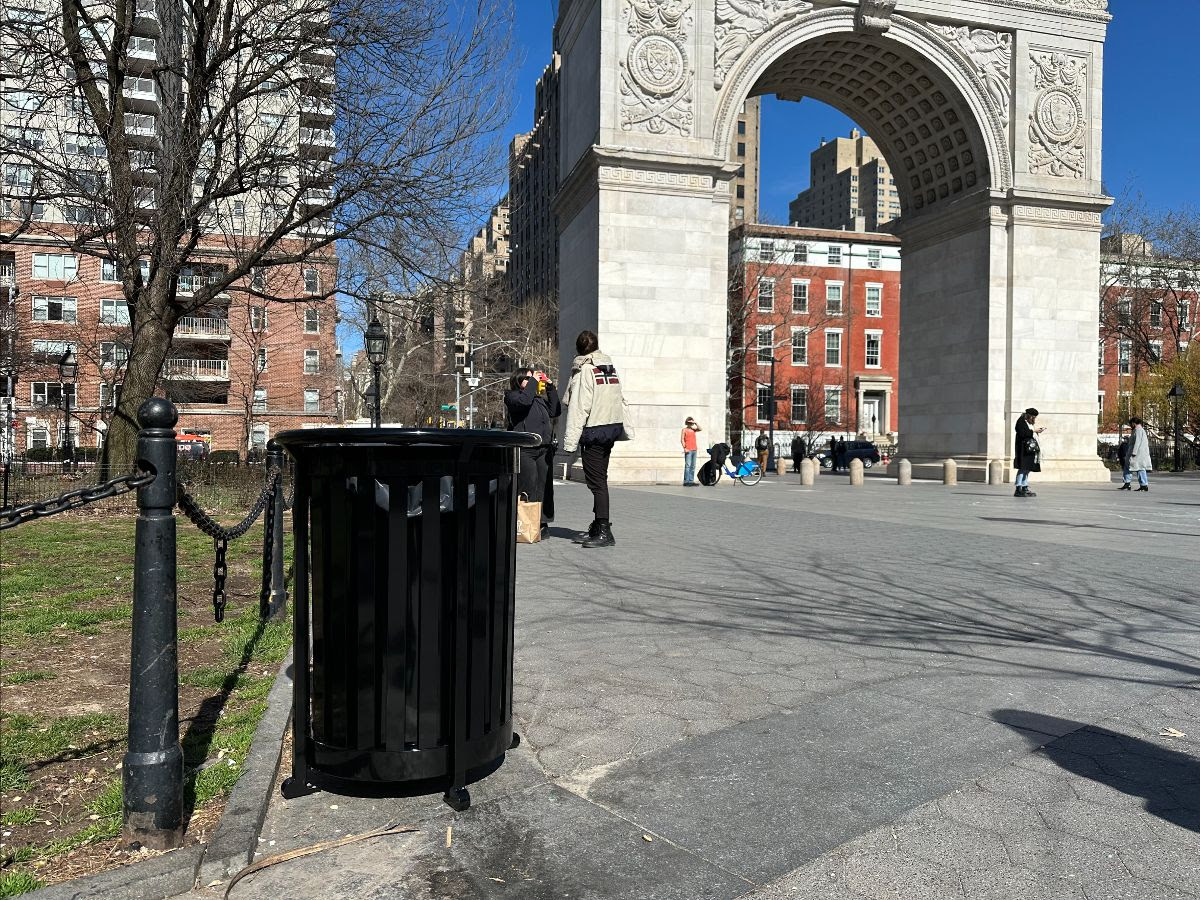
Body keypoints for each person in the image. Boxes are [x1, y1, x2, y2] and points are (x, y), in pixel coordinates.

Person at [562, 330, 626, 548]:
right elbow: (620, 400)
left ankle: (604, 530)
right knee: (600, 479)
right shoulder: (609, 368)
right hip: (610, 429)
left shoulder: (585, 372)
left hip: (594, 432)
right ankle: (599, 526)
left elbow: (578, 409)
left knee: (597, 483)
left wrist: (570, 443)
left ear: (579, 349)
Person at [505, 366, 561, 533]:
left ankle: (542, 523)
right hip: (525, 449)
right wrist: (534, 381)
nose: (532, 382)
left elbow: (555, 410)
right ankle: (526, 523)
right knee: (528, 485)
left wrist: (550, 388)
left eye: (533, 378)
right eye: (528, 379)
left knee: (544, 487)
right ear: (518, 381)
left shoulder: (538, 399)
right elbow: (524, 402)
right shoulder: (512, 397)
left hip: (544, 449)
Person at [1013, 407, 1045, 497]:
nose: (1034, 419)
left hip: (1029, 449)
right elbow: (1023, 433)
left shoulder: (1028, 422)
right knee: (1022, 468)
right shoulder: (1021, 422)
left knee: (1027, 469)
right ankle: (1018, 488)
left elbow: (1029, 433)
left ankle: (1024, 487)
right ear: (1029, 416)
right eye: (1033, 417)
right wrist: (1034, 431)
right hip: (1023, 450)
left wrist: (1036, 431)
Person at [1124, 416, 1152, 492]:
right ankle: (1129, 483)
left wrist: (1134, 452)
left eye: (1131, 424)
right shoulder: (1137, 430)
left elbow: (1137, 442)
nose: (1130, 426)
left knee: (1139, 468)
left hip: (1138, 454)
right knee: (1131, 467)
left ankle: (1143, 485)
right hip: (1137, 453)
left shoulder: (1138, 430)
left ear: (1133, 423)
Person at [681, 417, 701, 485]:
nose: (690, 424)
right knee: (688, 465)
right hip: (688, 450)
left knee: (693, 466)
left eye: (691, 423)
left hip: (694, 449)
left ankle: (691, 481)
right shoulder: (684, 430)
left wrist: (695, 423)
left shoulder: (693, 429)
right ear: (687, 422)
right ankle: (686, 481)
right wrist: (685, 448)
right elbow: (682, 440)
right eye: (689, 422)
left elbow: (700, 429)